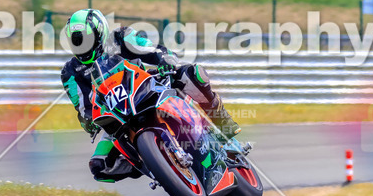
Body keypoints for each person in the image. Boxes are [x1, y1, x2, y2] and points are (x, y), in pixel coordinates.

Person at [60, 9, 242, 183]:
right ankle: (157, 166)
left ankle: (225, 130)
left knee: (192, 74)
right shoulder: (70, 72)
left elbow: (153, 49)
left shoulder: (120, 37)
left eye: (83, 38)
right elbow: (83, 107)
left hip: (148, 87)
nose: (80, 43)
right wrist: (89, 121)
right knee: (100, 166)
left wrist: (165, 60)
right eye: (75, 40)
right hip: (117, 116)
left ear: (99, 33)